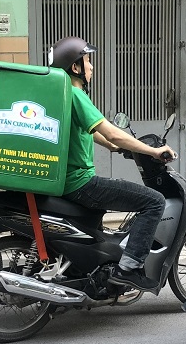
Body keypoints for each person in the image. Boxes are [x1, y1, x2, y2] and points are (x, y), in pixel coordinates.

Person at [49, 36, 176, 292]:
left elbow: (90, 130)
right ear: (76, 67)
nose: (92, 66)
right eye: (88, 61)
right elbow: (111, 131)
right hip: (80, 183)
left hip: (66, 181)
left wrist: (111, 146)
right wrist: (153, 151)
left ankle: (88, 276)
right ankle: (128, 268)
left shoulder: (62, 95)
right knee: (154, 201)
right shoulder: (76, 94)